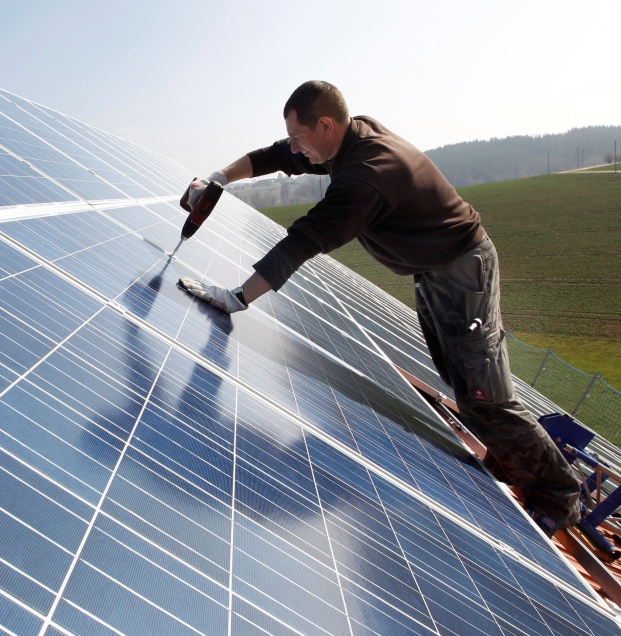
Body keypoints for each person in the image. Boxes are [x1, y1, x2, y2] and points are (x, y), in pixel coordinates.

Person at [178, 80, 581, 535]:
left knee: (485, 394)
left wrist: (237, 297)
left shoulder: (367, 172)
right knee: (466, 384)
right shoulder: (345, 138)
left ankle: (559, 497)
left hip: (461, 271)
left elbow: (305, 239)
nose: (295, 147)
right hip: (436, 270)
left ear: (325, 126)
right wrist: (220, 178)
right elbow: (276, 156)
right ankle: (513, 463)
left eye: (299, 137)